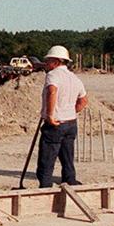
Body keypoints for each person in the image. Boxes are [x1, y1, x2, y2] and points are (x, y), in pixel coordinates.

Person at [36, 45, 88, 187]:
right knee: (67, 157)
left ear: (57, 61)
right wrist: (71, 111)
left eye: (49, 61)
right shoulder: (74, 77)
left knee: (47, 158)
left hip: (56, 123)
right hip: (71, 123)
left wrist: (50, 115)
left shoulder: (53, 75)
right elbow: (84, 100)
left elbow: (52, 91)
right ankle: (70, 180)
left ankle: (45, 187)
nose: (46, 64)